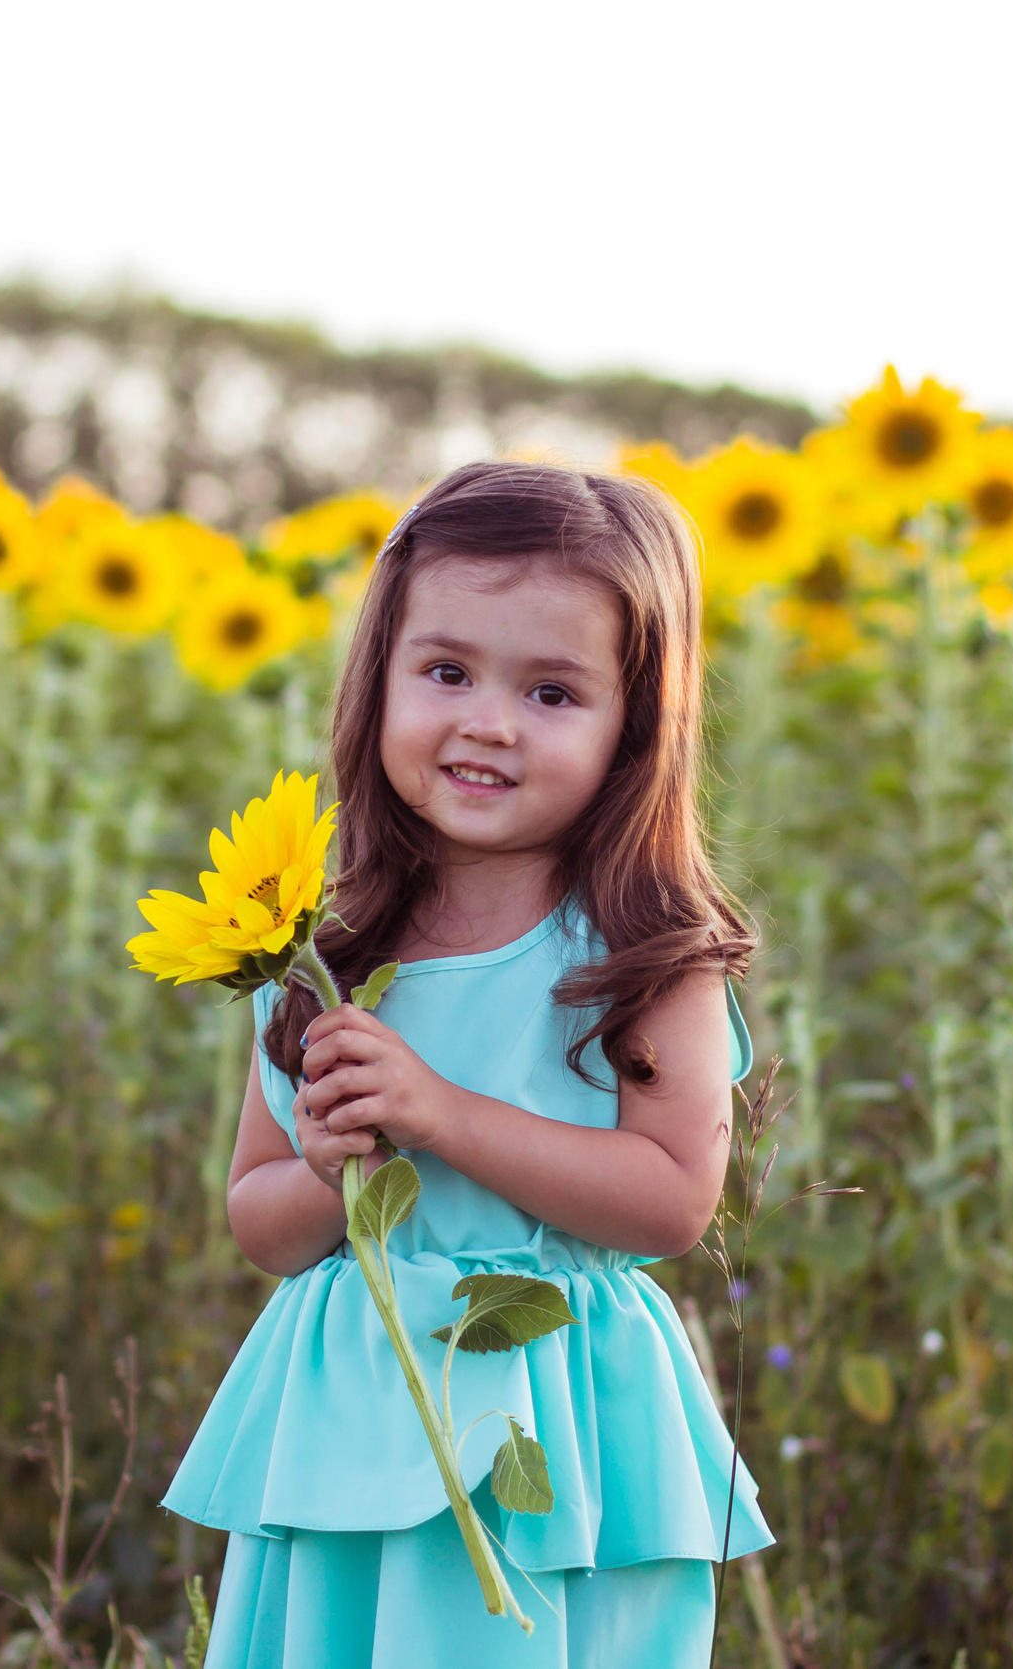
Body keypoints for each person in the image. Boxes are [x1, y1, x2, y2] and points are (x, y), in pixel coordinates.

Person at [161, 460, 775, 1667]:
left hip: (556, 1423)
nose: (487, 721)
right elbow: (261, 1221)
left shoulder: (643, 955)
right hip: (353, 1419)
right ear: (377, 680)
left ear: (633, 725)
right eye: (445, 672)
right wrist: (330, 1166)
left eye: (551, 691)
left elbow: (667, 1201)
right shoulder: (315, 949)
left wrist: (442, 1114)